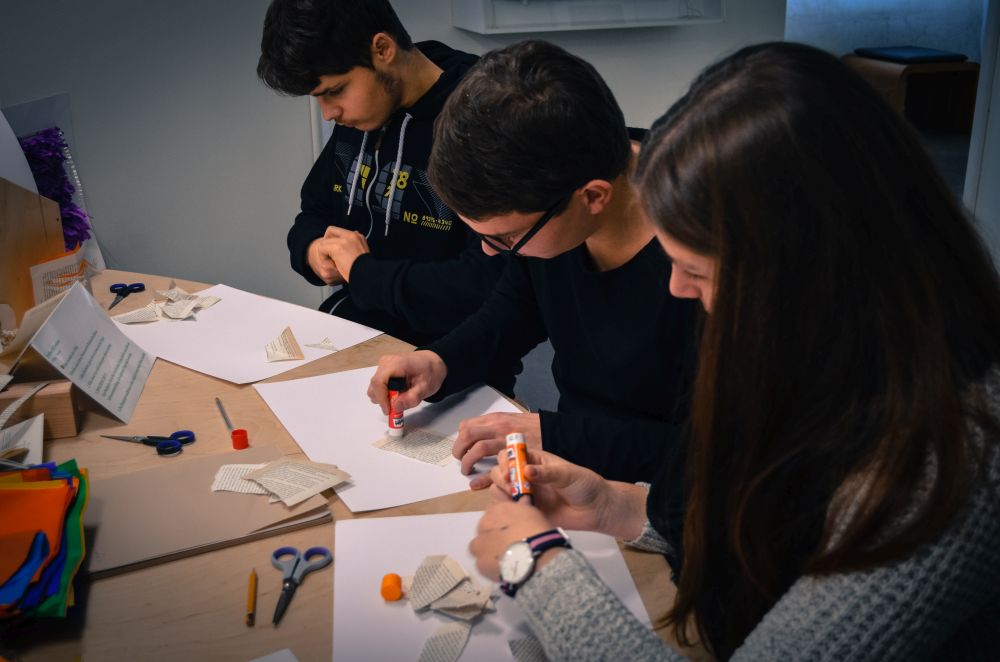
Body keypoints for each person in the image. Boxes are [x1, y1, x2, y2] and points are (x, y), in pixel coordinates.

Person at [467, 42, 1000, 660]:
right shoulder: (814, 353)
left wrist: (533, 566)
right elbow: (776, 528)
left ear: (808, 269)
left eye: (697, 269)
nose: (676, 288)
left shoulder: (951, 457)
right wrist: (618, 506)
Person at [368, 40, 699, 484]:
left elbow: (716, 452)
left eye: (505, 237)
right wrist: (440, 361)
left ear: (593, 197)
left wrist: (555, 434)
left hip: (668, 495)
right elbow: (517, 309)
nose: (489, 252)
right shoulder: (555, 195)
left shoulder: (702, 263)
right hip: (575, 460)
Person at [257, 0, 516, 391]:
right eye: (318, 98)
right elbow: (313, 214)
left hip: (450, 364)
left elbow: (489, 282)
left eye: (335, 91)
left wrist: (365, 275)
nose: (328, 113)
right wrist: (313, 250)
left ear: (382, 49)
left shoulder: (481, 117)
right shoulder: (364, 114)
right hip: (354, 339)